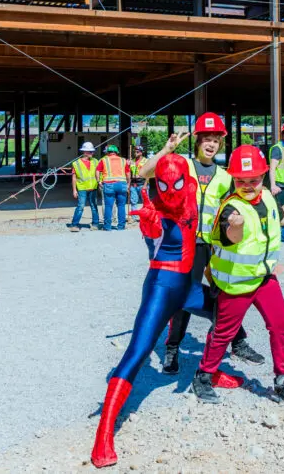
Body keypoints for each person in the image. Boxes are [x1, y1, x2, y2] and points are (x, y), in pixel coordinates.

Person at [90, 154, 244, 468]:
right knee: (137, 352)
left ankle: (210, 371)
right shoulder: (155, 209)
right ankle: (104, 432)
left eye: (176, 183)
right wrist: (148, 218)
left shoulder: (190, 191)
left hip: (186, 286)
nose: (171, 190)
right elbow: (151, 210)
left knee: (226, 313)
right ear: (157, 184)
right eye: (164, 184)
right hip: (161, 287)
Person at [138, 113, 265, 374]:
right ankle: (172, 348)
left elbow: (238, 204)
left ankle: (237, 342)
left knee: (228, 295)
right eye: (207, 139)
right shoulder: (182, 164)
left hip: (216, 245)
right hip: (189, 245)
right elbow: (144, 172)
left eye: (216, 140)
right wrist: (166, 149)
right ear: (197, 141)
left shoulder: (224, 175)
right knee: (184, 296)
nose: (211, 144)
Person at [190, 144, 284, 406]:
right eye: (241, 181)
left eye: (254, 180)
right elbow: (231, 235)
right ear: (233, 179)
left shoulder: (268, 197)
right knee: (224, 333)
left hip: (264, 278)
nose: (248, 185)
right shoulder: (230, 208)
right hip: (236, 283)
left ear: (263, 176)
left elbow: (282, 218)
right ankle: (203, 375)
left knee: (280, 326)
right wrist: (235, 226)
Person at [68, 141, 100, 232]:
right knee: (80, 206)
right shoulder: (76, 163)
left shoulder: (95, 161)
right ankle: (74, 225)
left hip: (93, 187)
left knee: (94, 206)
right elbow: (74, 178)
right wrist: (74, 190)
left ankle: (95, 224)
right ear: (85, 152)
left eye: (92, 151)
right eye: (91, 151)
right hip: (82, 188)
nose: (92, 153)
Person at [98, 144, 129, 231]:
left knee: (108, 206)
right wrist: (128, 183)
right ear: (116, 152)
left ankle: (107, 227)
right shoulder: (123, 160)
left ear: (108, 152)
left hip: (109, 184)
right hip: (122, 184)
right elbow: (128, 173)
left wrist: (99, 181)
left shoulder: (103, 160)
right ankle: (121, 226)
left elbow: (97, 171)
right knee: (121, 206)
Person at [127, 145, 147, 223]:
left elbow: (149, 173)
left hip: (142, 183)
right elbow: (128, 172)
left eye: (137, 151)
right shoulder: (132, 161)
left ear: (141, 153)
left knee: (145, 201)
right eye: (135, 151)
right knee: (133, 201)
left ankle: (145, 217)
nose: (135, 153)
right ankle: (134, 217)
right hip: (133, 183)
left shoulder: (146, 161)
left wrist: (146, 183)